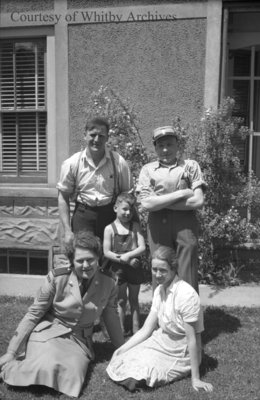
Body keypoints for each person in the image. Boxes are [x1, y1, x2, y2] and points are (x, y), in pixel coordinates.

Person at [0, 231, 124, 398]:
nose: (86, 265)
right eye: (80, 261)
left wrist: (122, 350)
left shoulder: (109, 282)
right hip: (49, 333)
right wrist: (11, 351)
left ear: (98, 259)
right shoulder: (57, 278)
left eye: (90, 259)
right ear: (72, 262)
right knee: (47, 360)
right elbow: (33, 314)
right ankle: (9, 367)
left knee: (72, 372)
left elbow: (111, 317)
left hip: (80, 341)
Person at [106, 246, 213, 393]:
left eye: (162, 270)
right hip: (161, 340)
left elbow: (192, 339)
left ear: (173, 269)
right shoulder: (159, 290)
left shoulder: (186, 295)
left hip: (181, 350)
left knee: (144, 372)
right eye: (154, 269)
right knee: (123, 358)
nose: (157, 274)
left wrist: (196, 378)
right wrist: (121, 349)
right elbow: (146, 329)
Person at [137, 125, 206, 292]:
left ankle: (188, 314)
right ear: (155, 148)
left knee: (187, 269)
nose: (165, 150)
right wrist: (182, 193)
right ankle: (161, 315)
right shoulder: (148, 170)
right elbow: (146, 204)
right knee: (160, 267)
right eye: (160, 146)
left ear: (177, 145)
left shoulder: (190, 166)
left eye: (169, 144)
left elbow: (197, 201)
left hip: (185, 224)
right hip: (158, 224)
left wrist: (159, 201)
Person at [57, 116, 133, 251]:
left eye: (101, 136)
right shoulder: (72, 163)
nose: (96, 140)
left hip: (110, 215)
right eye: (93, 135)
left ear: (107, 137)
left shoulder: (119, 162)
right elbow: (63, 197)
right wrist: (67, 230)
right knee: (84, 257)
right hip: (83, 216)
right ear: (85, 135)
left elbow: (127, 195)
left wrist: (129, 226)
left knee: (110, 261)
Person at [103, 193, 146, 335]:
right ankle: (120, 330)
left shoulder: (135, 226)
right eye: (125, 209)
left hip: (134, 267)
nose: (128, 213)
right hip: (118, 269)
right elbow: (107, 252)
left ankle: (136, 329)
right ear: (115, 208)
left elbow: (142, 247)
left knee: (134, 299)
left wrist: (129, 255)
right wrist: (123, 258)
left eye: (131, 210)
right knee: (121, 300)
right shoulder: (109, 229)